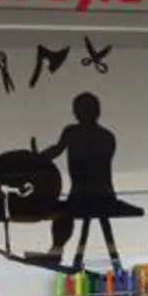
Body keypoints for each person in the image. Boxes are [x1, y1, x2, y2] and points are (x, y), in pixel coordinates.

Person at [32, 91, 117, 263]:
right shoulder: (103, 135)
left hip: (90, 194)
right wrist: (38, 158)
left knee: (62, 213)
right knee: (63, 213)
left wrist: (38, 158)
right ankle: (56, 251)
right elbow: (57, 149)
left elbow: (57, 150)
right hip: (92, 193)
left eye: (80, 109)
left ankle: (56, 252)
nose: (77, 113)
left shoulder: (77, 133)